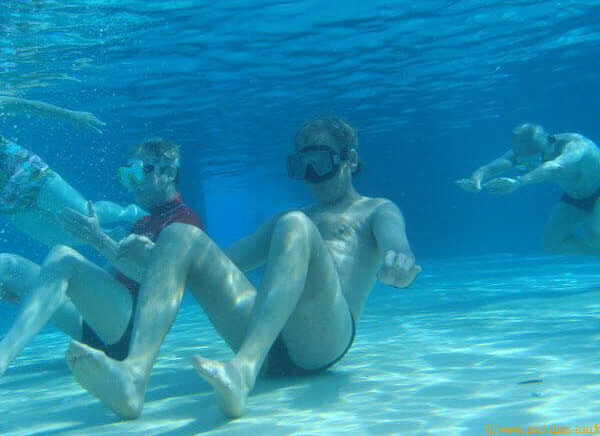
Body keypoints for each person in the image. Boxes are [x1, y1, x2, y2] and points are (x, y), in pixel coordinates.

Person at [65, 116, 421, 420]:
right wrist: (158, 259)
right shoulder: (289, 221)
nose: (312, 176)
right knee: (180, 234)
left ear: (350, 159)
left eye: (320, 162)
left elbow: (398, 249)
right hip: (268, 338)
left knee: (294, 223)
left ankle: (243, 370)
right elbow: (217, 262)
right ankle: (133, 376)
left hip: (324, 340)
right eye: (302, 166)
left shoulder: (377, 209)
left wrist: (400, 268)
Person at [0, 138, 203, 378]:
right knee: (6, 264)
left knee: (63, 254)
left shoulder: (185, 223)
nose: (132, 184)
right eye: (125, 175)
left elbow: (163, 287)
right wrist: (44, 291)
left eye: (137, 172)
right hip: (98, 324)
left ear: (169, 172)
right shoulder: (142, 223)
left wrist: (98, 239)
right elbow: (110, 276)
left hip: (133, 335)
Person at [1, 95, 146, 246]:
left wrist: (71, 115)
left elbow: (26, 105)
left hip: (27, 173)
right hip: (6, 200)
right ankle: (113, 237)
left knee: (84, 212)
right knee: (58, 239)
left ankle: (134, 214)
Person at [456, 123, 600, 256]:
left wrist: (519, 182)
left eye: (533, 153)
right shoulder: (528, 150)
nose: (530, 159)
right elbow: (491, 167)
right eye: (522, 153)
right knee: (552, 242)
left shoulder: (575, 145)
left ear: (546, 140)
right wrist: (476, 182)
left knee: (593, 235)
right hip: (576, 196)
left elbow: (553, 167)